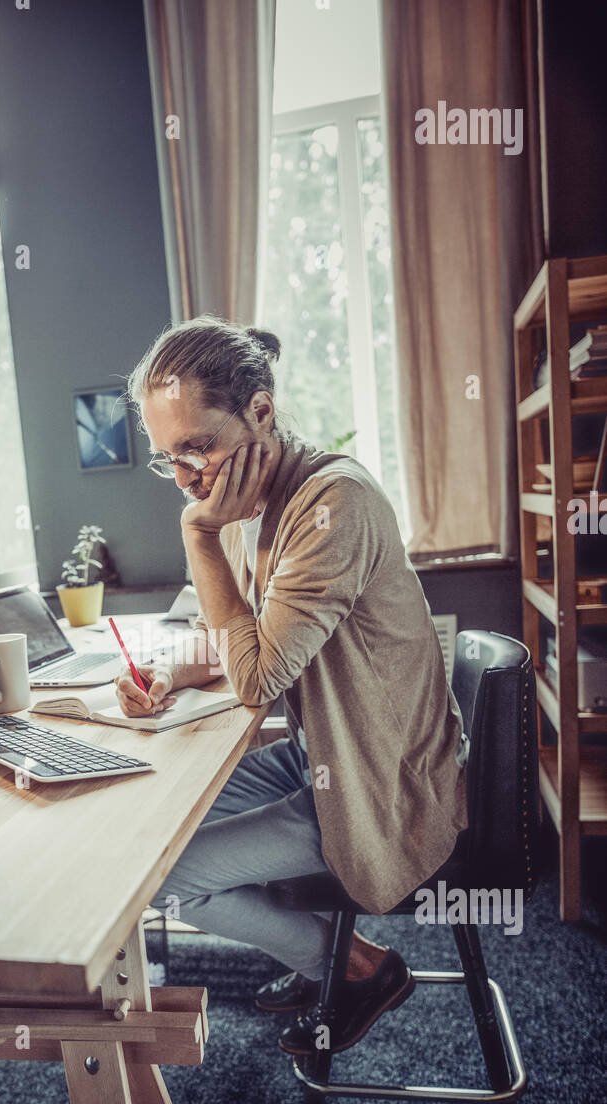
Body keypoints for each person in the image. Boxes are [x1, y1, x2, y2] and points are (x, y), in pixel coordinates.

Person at [116, 315, 468, 1055]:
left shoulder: (330, 507)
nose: (185, 478)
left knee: (158, 879)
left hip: (382, 781)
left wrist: (198, 535)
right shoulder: (263, 504)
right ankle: (324, 958)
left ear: (262, 413)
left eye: (196, 447)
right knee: (153, 832)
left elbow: (257, 677)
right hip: (328, 754)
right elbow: (247, 638)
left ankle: (354, 967)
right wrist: (171, 670)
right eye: (167, 459)